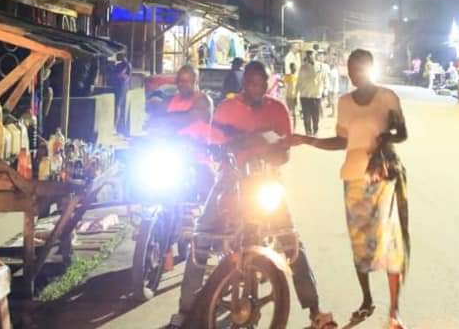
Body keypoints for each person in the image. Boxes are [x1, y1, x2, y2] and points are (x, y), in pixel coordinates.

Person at [170, 61, 336, 329]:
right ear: (244, 83)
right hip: (231, 179)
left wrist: (268, 148)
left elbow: (284, 155)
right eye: (251, 83)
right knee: (201, 238)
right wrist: (244, 142)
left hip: (265, 179)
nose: (256, 88)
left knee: (290, 239)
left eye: (261, 83)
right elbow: (216, 145)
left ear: (267, 84)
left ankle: (315, 310)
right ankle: (184, 312)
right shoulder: (226, 108)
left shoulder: (278, 109)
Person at [294, 49, 410, 329]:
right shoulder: (344, 102)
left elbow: (403, 133)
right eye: (351, 68)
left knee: (390, 243)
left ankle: (394, 311)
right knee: (360, 245)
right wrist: (308, 140)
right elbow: (342, 141)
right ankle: (366, 299)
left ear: (371, 68)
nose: (356, 73)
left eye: (361, 68)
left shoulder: (387, 97)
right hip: (354, 180)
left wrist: (386, 137)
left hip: (382, 178)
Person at [297, 52, 324, 135]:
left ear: (314, 55)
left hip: (316, 96)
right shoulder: (302, 67)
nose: (310, 56)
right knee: (306, 117)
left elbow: (323, 79)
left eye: (311, 54)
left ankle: (315, 130)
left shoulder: (320, 66)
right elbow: (299, 81)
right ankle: (308, 133)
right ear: (307, 56)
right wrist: (296, 93)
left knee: (315, 117)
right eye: (308, 54)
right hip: (305, 95)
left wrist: (324, 91)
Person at [284, 62, 300, 128]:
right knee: (289, 112)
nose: (295, 69)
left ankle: (294, 127)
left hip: (295, 97)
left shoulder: (297, 76)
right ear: (291, 68)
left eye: (295, 67)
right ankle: (289, 126)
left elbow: (298, 87)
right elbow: (285, 85)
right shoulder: (287, 76)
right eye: (294, 67)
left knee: (294, 113)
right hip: (288, 96)